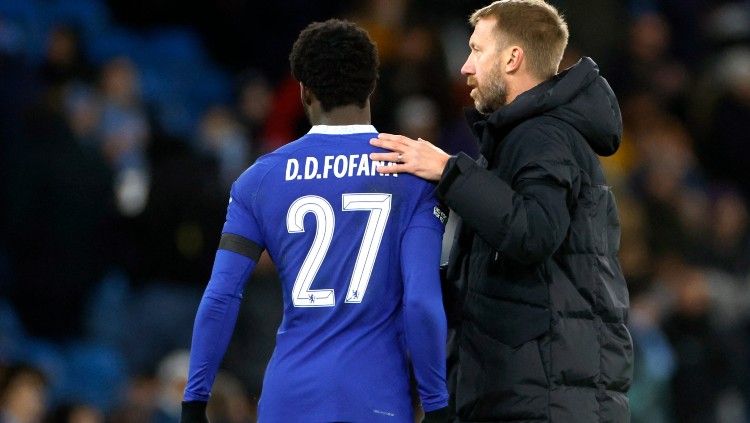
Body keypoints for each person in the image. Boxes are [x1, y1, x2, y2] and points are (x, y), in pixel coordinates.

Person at [369, 1, 633, 421]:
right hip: (531, 390)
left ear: (513, 58)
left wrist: (447, 170)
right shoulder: (520, 137)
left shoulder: (544, 135)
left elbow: (533, 232)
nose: (465, 67)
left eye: (477, 50)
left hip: (546, 399)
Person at [180, 19, 451, 423]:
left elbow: (222, 295)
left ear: (304, 91)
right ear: (371, 84)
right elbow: (420, 301)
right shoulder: (412, 176)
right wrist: (437, 404)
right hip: (373, 397)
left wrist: (194, 401)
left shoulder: (258, 180)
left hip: (288, 398)